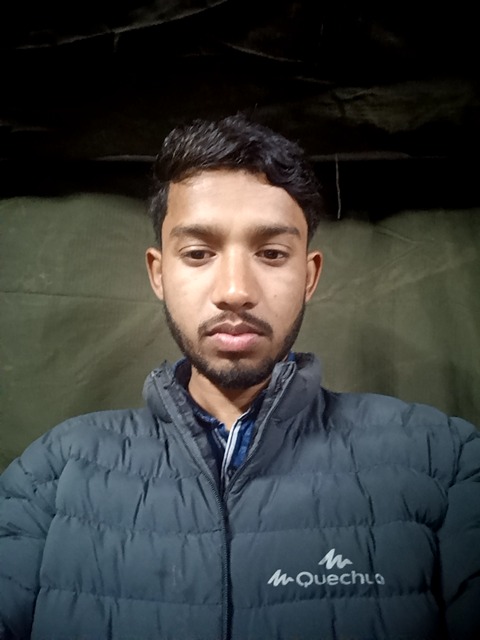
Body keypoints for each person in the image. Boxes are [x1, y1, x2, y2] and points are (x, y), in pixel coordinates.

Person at [1, 114, 479, 640]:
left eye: (272, 253)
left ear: (309, 276)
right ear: (159, 273)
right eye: (198, 253)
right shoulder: (54, 473)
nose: (234, 290)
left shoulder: (444, 460)